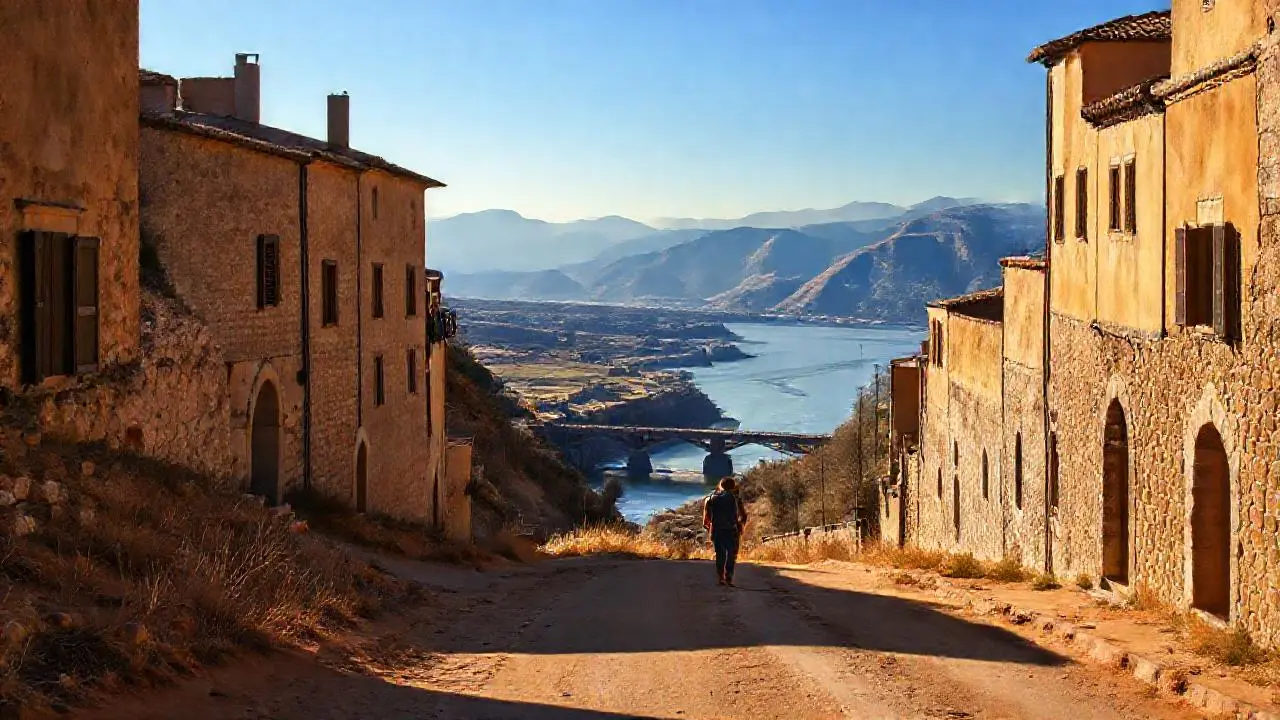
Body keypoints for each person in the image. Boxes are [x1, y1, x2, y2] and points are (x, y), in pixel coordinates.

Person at [702, 476, 747, 586]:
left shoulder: (710, 498)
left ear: (720, 486)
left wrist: (709, 529)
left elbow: (706, 520)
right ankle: (729, 577)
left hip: (717, 530)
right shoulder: (736, 498)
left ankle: (720, 578)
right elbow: (743, 516)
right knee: (732, 554)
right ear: (733, 486)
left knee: (720, 554)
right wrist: (740, 526)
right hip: (732, 530)